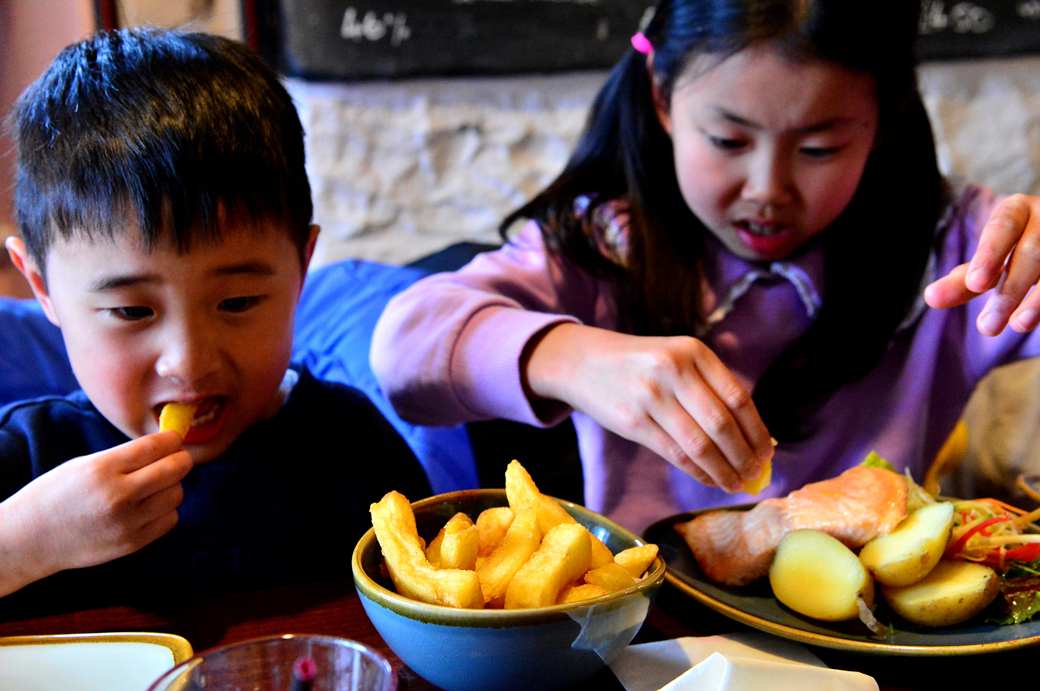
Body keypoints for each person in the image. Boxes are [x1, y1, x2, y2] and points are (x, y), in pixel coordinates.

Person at [370, 0, 1040, 533]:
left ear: (885, 117)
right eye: (728, 139)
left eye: (819, 148)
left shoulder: (957, 249)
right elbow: (405, 350)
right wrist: (570, 360)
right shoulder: (608, 242)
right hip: (654, 633)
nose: (767, 188)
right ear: (662, 97)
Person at [0, 28, 430, 618]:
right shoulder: (26, 463)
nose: (189, 360)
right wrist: (24, 547)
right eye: (132, 311)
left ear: (300, 271)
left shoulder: (353, 448)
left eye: (237, 302)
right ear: (42, 288)